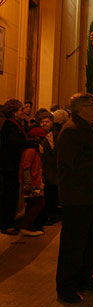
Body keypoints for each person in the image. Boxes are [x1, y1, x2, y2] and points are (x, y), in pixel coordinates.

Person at [56, 93, 93, 304]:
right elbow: (75, 162)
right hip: (76, 196)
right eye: (92, 105)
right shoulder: (71, 130)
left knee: (90, 241)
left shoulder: (90, 127)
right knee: (73, 244)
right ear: (80, 108)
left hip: (90, 195)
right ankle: (66, 287)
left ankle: (84, 277)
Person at [0, 99, 37, 235]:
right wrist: (32, 144)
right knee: (9, 196)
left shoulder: (16, 124)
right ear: (14, 112)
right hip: (10, 167)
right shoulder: (10, 126)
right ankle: (6, 224)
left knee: (13, 195)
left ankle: (9, 221)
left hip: (14, 166)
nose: (24, 111)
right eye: (21, 109)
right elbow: (16, 143)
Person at [18, 127, 47, 236]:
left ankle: (28, 226)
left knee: (33, 203)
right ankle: (26, 226)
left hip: (35, 180)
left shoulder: (33, 150)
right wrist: (28, 182)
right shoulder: (30, 151)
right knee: (39, 202)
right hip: (32, 182)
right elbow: (26, 167)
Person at [35, 110, 60, 226]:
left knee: (54, 193)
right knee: (46, 194)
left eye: (47, 121)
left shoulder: (57, 134)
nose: (44, 124)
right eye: (42, 122)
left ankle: (53, 214)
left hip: (55, 168)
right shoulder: (38, 137)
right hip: (45, 169)